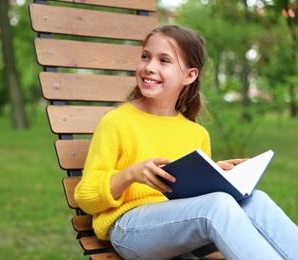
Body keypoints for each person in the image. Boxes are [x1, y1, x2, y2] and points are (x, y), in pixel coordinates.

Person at [74, 24, 298, 260]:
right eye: (145, 57)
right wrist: (131, 174)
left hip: (181, 232)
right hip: (129, 230)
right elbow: (86, 199)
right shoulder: (116, 121)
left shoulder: (195, 133)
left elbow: (195, 202)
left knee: (256, 200)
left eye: (164, 61)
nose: (149, 67)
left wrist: (215, 175)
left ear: (189, 75)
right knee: (217, 205)